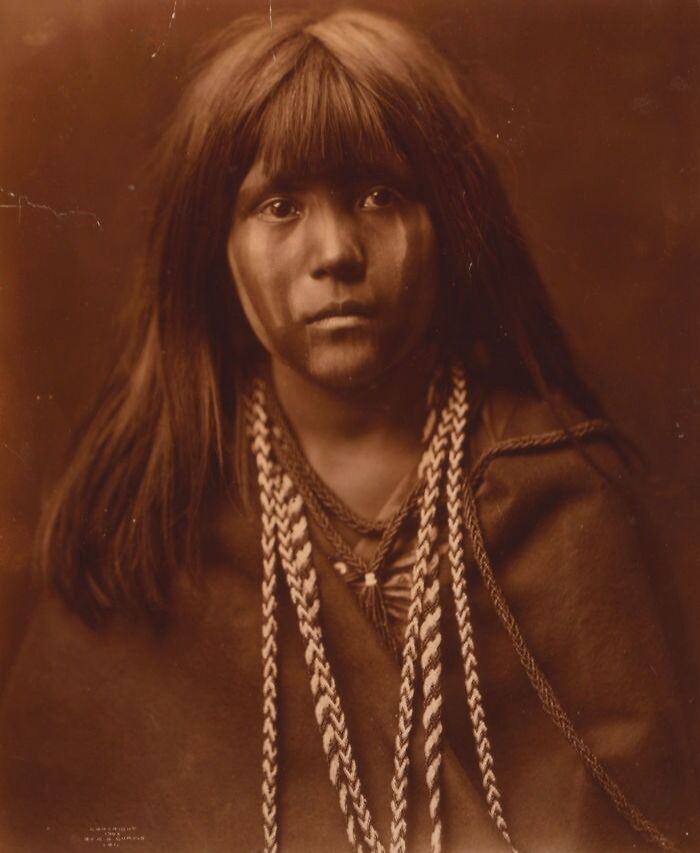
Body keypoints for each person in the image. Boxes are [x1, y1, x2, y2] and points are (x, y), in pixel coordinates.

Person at [0, 9, 696, 853]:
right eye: (280, 204)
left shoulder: (561, 497)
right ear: (213, 250)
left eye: (379, 194)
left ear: (450, 226)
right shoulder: (149, 529)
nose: (335, 250)